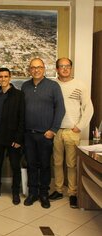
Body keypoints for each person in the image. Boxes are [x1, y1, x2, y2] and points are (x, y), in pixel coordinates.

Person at [49, 58, 93, 208]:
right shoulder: (52, 85)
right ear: (56, 69)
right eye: (61, 66)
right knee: (57, 163)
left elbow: (89, 108)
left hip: (71, 131)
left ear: (71, 68)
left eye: (67, 66)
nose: (65, 69)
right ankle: (59, 190)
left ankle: (73, 193)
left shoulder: (80, 85)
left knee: (72, 164)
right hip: (56, 131)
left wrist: (79, 126)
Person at [21, 58, 65, 209]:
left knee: (45, 165)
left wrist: (53, 130)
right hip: (28, 134)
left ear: (44, 68)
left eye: (39, 67)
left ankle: (44, 194)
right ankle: (32, 193)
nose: (36, 70)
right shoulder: (25, 86)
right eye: (33, 67)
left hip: (45, 135)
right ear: (29, 69)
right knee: (31, 165)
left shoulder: (53, 86)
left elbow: (60, 109)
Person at [0, 68, 25, 205]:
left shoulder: (19, 95)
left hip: (13, 138)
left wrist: (19, 139)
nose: (3, 79)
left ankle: (15, 192)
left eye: (5, 76)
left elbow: (22, 119)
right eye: (0, 77)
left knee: (15, 166)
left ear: (10, 77)